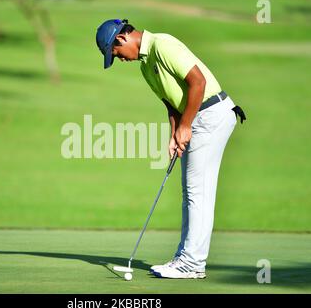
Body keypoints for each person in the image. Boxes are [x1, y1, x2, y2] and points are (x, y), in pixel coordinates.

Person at [96, 19, 246, 279]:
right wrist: (175, 133)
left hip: (211, 114)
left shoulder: (162, 45)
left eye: (116, 54)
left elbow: (197, 83)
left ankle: (192, 262)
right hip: (197, 117)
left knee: (197, 192)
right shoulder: (145, 67)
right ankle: (187, 259)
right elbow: (172, 105)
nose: (119, 59)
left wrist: (186, 126)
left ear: (121, 39)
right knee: (191, 191)